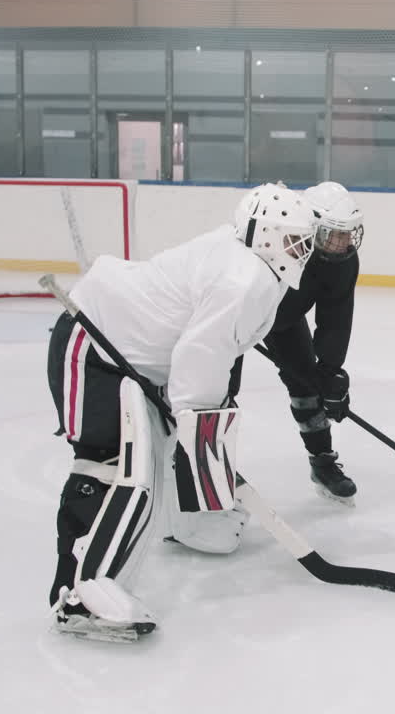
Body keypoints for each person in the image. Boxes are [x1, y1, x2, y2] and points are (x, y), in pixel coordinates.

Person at [45, 182, 325, 642]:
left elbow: (205, 354)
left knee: (145, 470)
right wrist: (196, 419)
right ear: (267, 235)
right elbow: (201, 358)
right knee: (110, 466)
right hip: (94, 351)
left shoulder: (252, 263)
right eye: (294, 239)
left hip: (132, 363)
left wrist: (194, 418)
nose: (302, 250)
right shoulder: (244, 276)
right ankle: (79, 592)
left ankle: (148, 549)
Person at [262, 182, 364, 505]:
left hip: (284, 319)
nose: (345, 242)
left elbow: (336, 318)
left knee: (307, 388)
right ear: (313, 227)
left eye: (348, 233)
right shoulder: (277, 241)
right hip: (240, 312)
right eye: (336, 234)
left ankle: (322, 462)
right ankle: (205, 461)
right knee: (219, 389)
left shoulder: (343, 261)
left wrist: (330, 372)